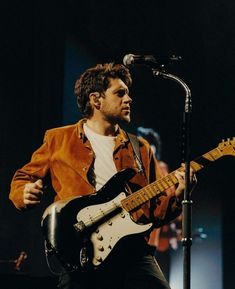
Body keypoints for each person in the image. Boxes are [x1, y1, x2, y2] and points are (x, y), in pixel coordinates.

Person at [9, 63, 194, 289]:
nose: (129, 99)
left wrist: (178, 196)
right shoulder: (58, 139)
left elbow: (156, 211)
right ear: (96, 100)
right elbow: (23, 178)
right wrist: (23, 192)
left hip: (133, 251)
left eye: (128, 93)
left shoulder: (141, 147)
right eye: (120, 93)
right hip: (83, 250)